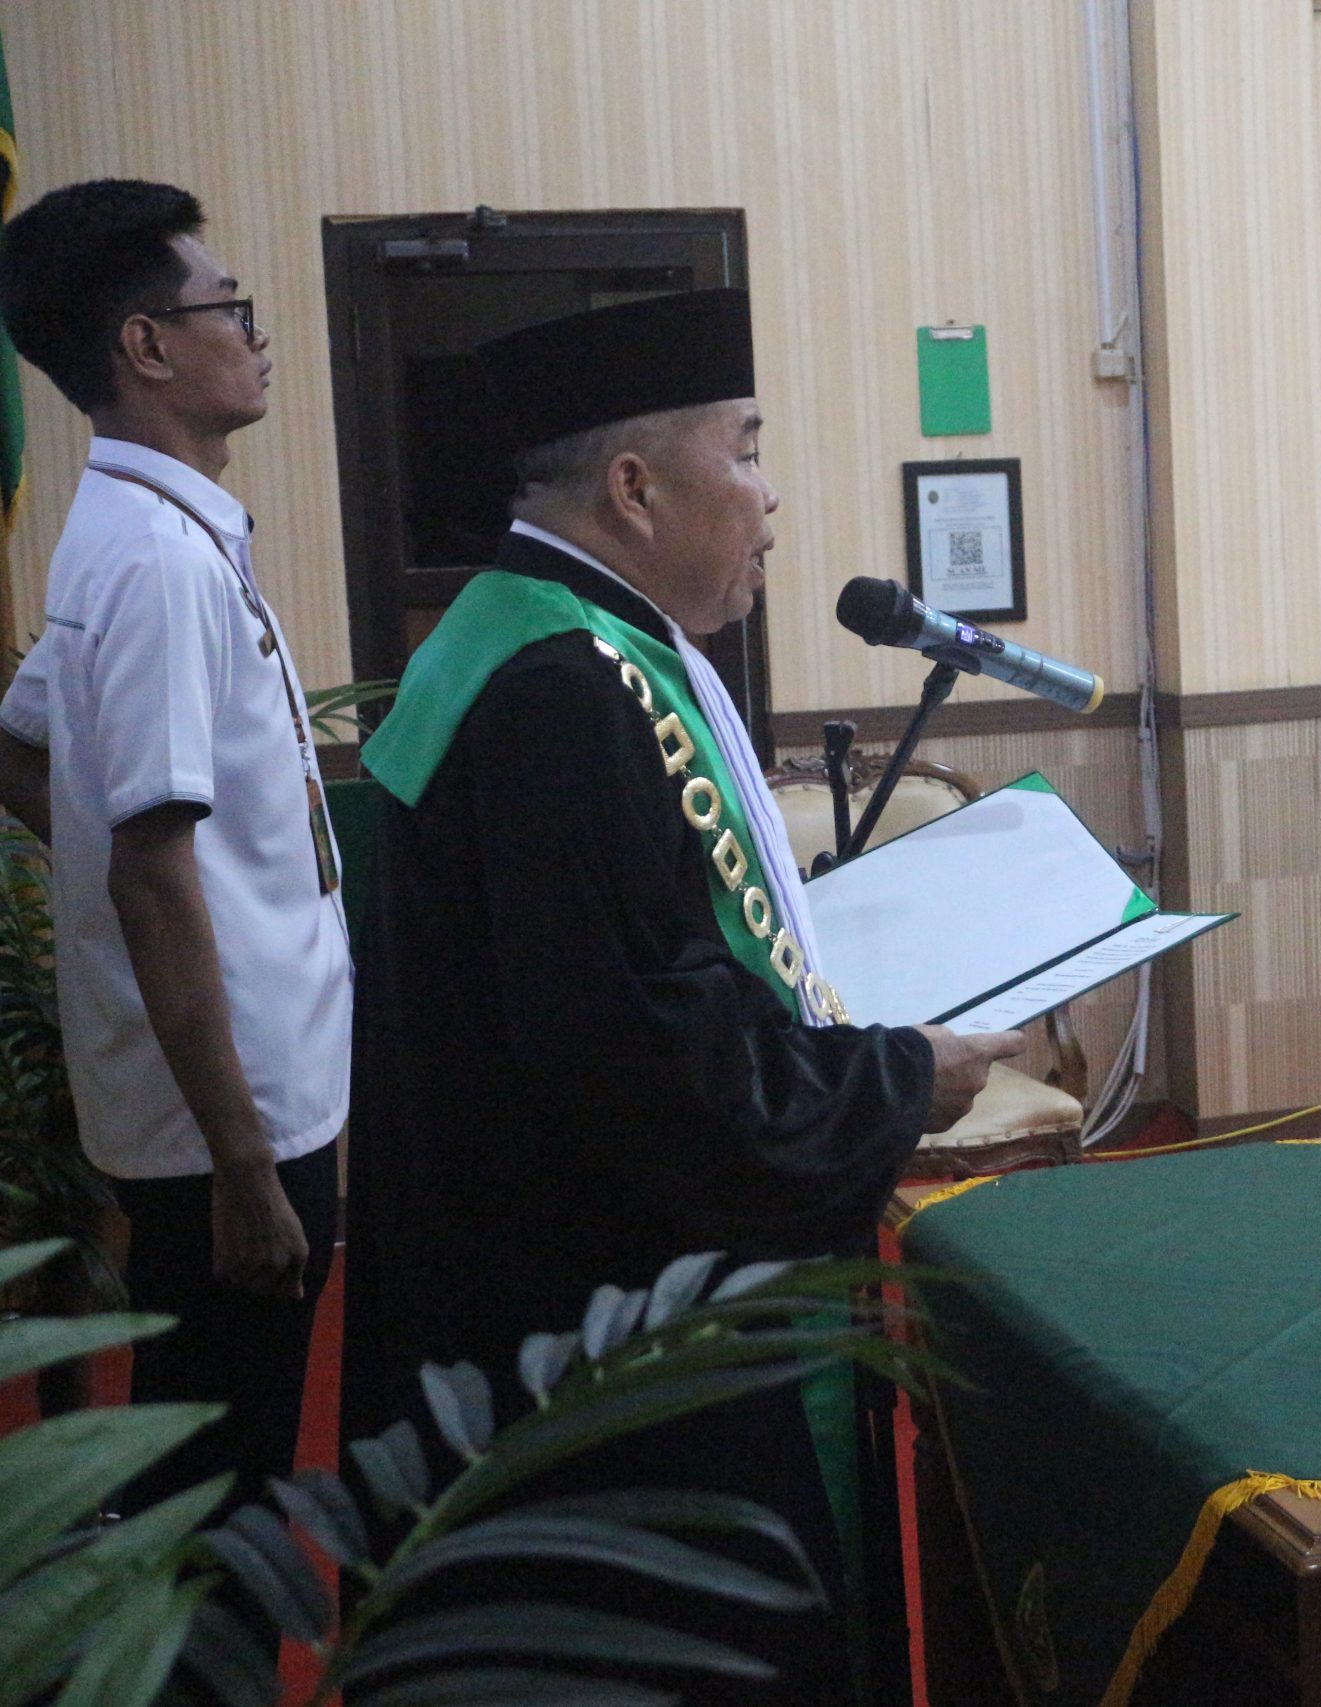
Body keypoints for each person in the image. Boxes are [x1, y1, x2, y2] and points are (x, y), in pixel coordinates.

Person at [342, 287, 1021, 1700]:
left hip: (516, 1286)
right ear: (635, 487)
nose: (771, 497)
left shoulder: (523, 637)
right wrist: (904, 1079)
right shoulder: (564, 695)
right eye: (749, 448)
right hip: (612, 1347)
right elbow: (644, 1066)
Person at [0, 179, 347, 1518]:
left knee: (207, 1461)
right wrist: (245, 1166)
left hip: (235, 1093)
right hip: (229, 1121)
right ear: (145, 345)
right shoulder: (158, 562)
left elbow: (23, 745)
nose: (255, 336)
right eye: (230, 308)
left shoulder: (149, 529)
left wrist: (96, 855)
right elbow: (151, 873)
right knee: (219, 1494)